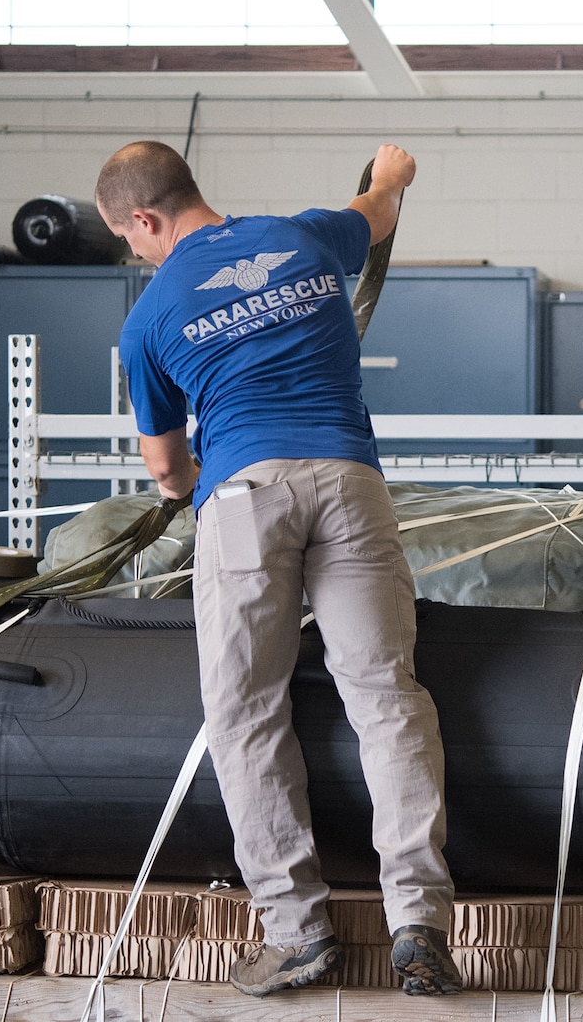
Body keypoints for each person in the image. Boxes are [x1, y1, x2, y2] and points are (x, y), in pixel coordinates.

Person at [95, 140, 462, 998]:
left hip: (245, 495)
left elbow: (165, 470)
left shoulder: (148, 319)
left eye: (130, 239)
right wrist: (392, 171)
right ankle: (418, 921)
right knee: (385, 694)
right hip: (350, 483)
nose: (137, 254)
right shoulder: (303, 238)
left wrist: (190, 490)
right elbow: (376, 211)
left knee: (245, 712)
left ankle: (296, 932)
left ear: (146, 219)